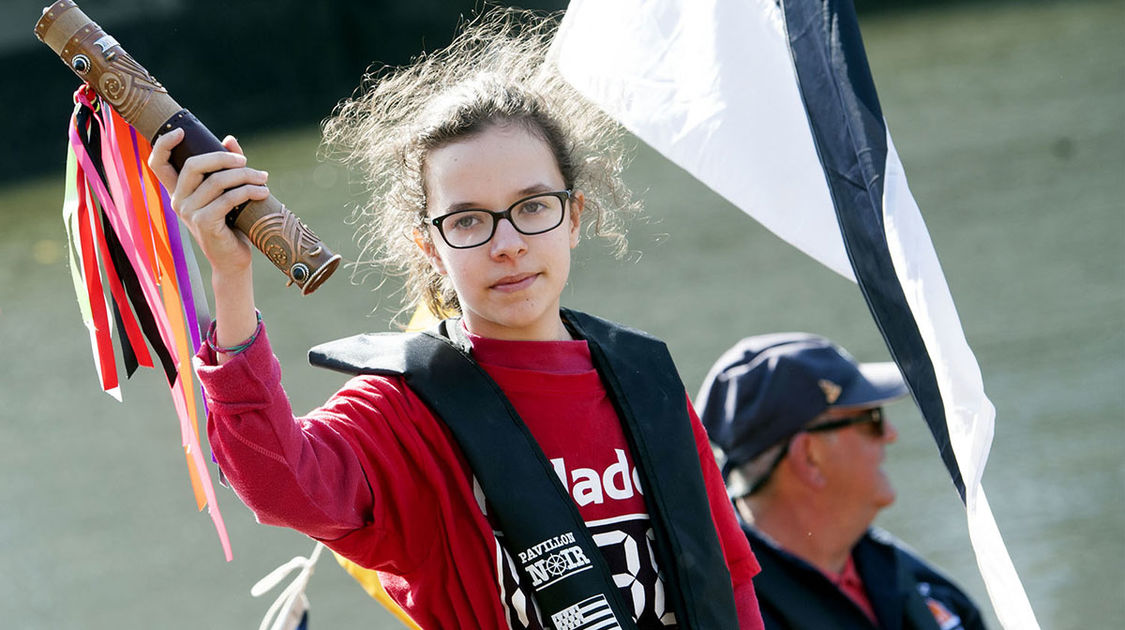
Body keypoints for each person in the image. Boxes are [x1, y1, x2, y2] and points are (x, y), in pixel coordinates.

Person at [149, 8, 762, 630]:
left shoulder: (645, 380)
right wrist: (230, 278)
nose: (508, 244)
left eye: (532, 206)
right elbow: (279, 484)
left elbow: (728, 581)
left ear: (574, 217)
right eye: (467, 220)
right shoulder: (403, 410)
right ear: (428, 246)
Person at [696, 333, 985, 630]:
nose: (890, 433)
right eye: (872, 418)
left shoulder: (907, 575)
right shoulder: (726, 615)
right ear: (810, 457)